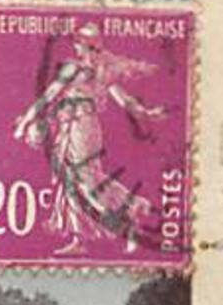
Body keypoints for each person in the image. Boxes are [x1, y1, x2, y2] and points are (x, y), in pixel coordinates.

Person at [12, 21, 167, 255]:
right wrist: (146, 113)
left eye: (95, 48)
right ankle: (80, 238)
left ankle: (123, 219)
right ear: (78, 46)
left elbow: (49, 96)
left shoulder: (82, 70)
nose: (92, 52)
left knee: (82, 177)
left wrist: (24, 124)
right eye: (89, 47)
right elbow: (123, 101)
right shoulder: (89, 71)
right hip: (70, 126)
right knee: (76, 180)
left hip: (81, 126)